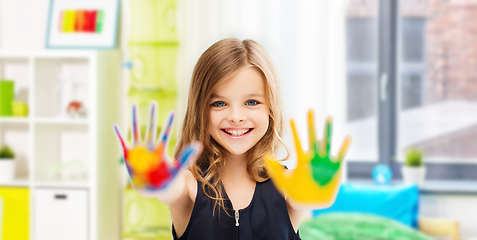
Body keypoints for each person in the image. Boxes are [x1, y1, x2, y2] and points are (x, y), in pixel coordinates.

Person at [114, 38, 350, 240]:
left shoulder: (289, 185)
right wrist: (154, 181)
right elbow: (169, 190)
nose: (236, 117)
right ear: (200, 109)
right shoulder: (188, 186)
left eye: (251, 102)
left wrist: (317, 192)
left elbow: (304, 199)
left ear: (270, 107)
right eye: (219, 103)